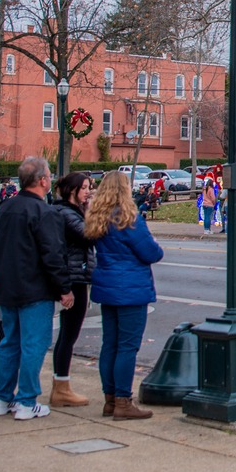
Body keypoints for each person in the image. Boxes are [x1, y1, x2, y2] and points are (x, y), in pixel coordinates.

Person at [0, 157, 72, 420]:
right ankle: (26, 400)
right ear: (42, 181)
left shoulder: (0, 209)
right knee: (34, 344)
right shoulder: (45, 213)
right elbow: (53, 256)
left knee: (11, 342)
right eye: (48, 177)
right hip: (35, 289)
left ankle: (2, 398)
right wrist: (65, 289)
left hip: (6, 286)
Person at [85, 171, 163, 418]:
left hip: (107, 286)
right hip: (131, 288)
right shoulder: (129, 219)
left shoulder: (99, 218)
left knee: (110, 344)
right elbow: (151, 252)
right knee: (128, 347)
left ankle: (110, 399)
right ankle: (122, 400)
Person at [49, 172, 95, 408]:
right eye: (84, 188)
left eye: (89, 187)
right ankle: (61, 386)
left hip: (76, 275)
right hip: (73, 278)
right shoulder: (65, 212)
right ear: (72, 190)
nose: (88, 191)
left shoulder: (68, 211)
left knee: (69, 334)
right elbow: (89, 235)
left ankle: (61, 384)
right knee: (68, 334)